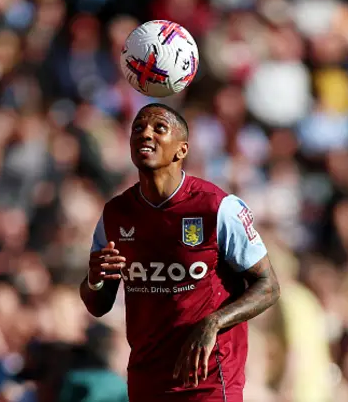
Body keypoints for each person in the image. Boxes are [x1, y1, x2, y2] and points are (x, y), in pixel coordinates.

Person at [79, 103, 280, 402]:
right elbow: (99, 305)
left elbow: (269, 287)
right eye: (138, 128)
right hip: (147, 379)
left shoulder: (217, 208)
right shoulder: (116, 214)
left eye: (159, 128)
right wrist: (94, 279)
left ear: (181, 150)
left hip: (207, 380)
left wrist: (214, 322)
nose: (145, 134)